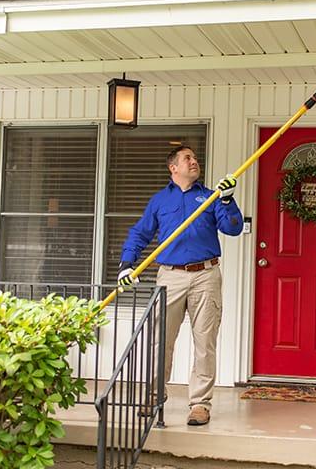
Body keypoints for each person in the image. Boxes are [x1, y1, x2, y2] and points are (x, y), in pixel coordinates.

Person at [117, 145, 242, 426]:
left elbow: (232, 228)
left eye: (195, 158)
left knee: (204, 342)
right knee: (160, 339)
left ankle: (199, 404)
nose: (194, 161)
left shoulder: (210, 197)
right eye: (188, 158)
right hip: (170, 276)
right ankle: (154, 395)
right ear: (173, 167)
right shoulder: (160, 201)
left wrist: (227, 200)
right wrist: (126, 263)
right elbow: (140, 233)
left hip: (205, 275)